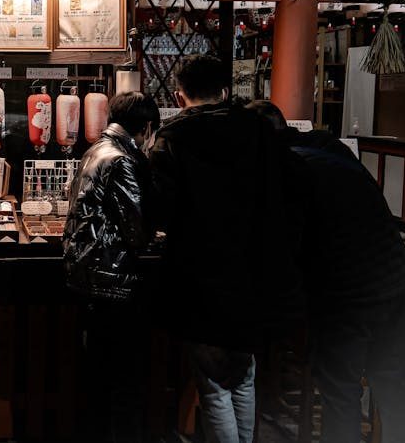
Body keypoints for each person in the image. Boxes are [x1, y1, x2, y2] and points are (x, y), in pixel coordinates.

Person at [149, 55, 304, 443]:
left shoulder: (174, 137)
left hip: (201, 274)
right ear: (224, 90)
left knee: (214, 382)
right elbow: (290, 190)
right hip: (257, 272)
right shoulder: (258, 128)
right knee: (244, 373)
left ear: (178, 94)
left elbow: (159, 211)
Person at [248, 100, 405, 443]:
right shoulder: (332, 149)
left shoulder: (287, 169)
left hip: (347, 292)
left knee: (340, 389)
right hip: (395, 276)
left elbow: (288, 244)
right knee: (394, 380)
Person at [64, 91, 161, 443]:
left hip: (89, 276)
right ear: (147, 127)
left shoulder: (96, 150)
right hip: (113, 280)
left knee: (98, 373)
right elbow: (136, 230)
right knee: (122, 377)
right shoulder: (121, 159)